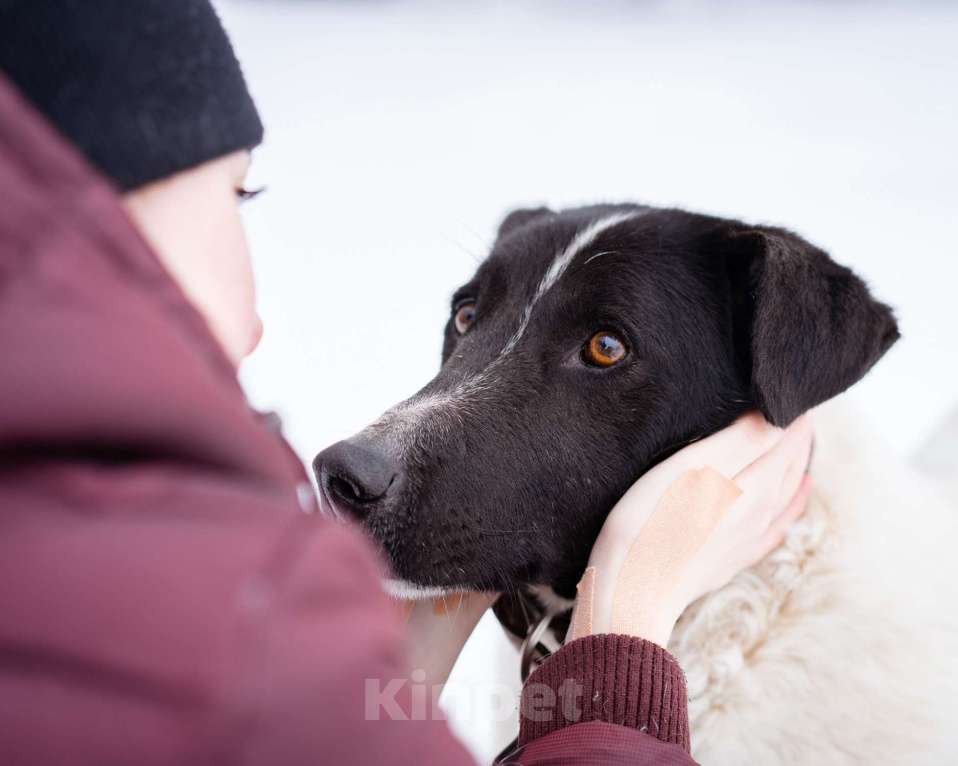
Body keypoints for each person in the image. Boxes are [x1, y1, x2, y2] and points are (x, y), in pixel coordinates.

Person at [0, 2, 813, 764]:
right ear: (93, 218)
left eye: (603, 347)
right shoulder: (210, 605)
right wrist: (621, 633)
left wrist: (410, 646)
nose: (254, 321)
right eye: (235, 193)